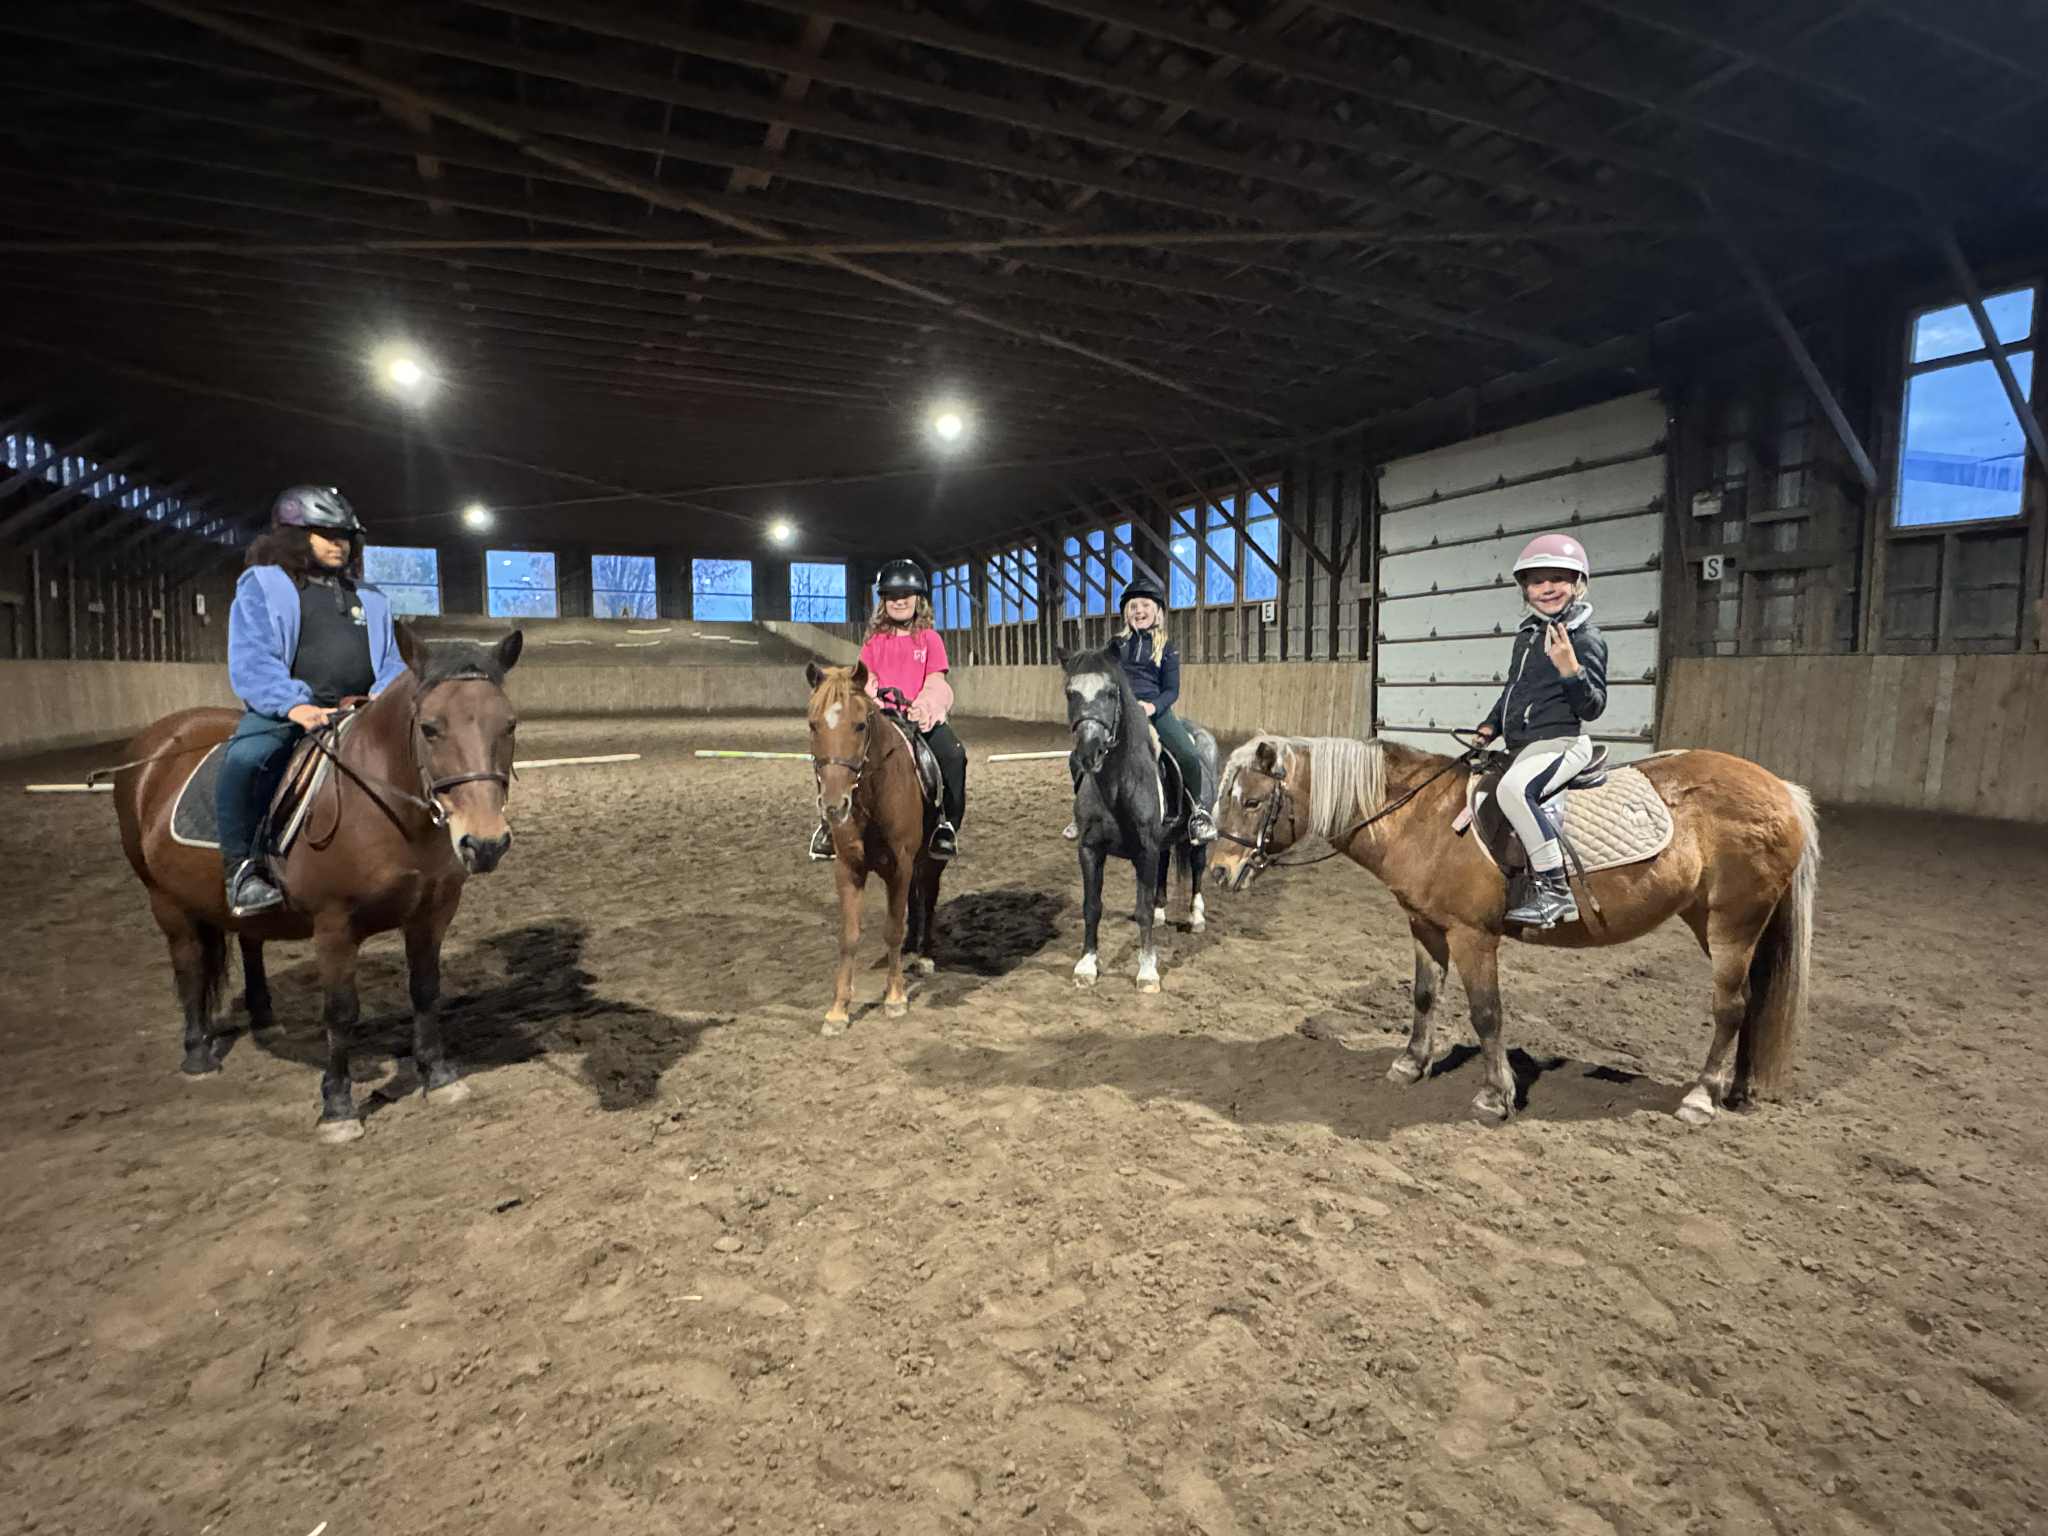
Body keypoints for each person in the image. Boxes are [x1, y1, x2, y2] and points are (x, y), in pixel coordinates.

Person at [216, 485, 407, 916]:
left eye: (343, 535)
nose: (337, 543)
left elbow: (393, 659)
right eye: (325, 534)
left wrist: (383, 696)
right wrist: (293, 705)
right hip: (292, 712)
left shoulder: (371, 597)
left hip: (361, 712)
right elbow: (254, 657)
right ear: (295, 536)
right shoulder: (264, 585)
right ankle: (243, 868)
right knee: (246, 760)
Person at [1473, 532, 1609, 928]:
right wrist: (1491, 725)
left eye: (1558, 579)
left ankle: (1554, 891)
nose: (1546, 588)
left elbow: (1593, 707)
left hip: (1561, 742)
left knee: (1514, 790)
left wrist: (1571, 670)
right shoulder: (1528, 634)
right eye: (1536, 581)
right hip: (1522, 744)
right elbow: (1514, 689)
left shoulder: (1585, 638)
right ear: (1525, 589)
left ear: (1577, 584)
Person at [810, 559, 965, 862]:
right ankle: (829, 825)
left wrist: (925, 705)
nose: (899, 601)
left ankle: (945, 826)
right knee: (835, 755)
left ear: (918, 599)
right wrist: (873, 702)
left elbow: (936, 680)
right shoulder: (874, 643)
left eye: (906, 594)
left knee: (954, 755)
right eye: (892, 596)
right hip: (883, 719)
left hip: (919, 719)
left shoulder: (930, 639)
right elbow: (866, 680)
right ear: (884, 602)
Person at [1065, 579, 1216, 843]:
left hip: (1156, 711)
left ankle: (1197, 813)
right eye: (1133, 606)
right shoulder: (1115, 646)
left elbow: (1171, 690)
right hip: (1120, 714)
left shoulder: (1167, 648)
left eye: (1145, 605)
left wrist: (1152, 706)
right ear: (1126, 612)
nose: (1139, 610)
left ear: (1157, 610)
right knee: (1077, 756)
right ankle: (1083, 813)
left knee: (1189, 754)